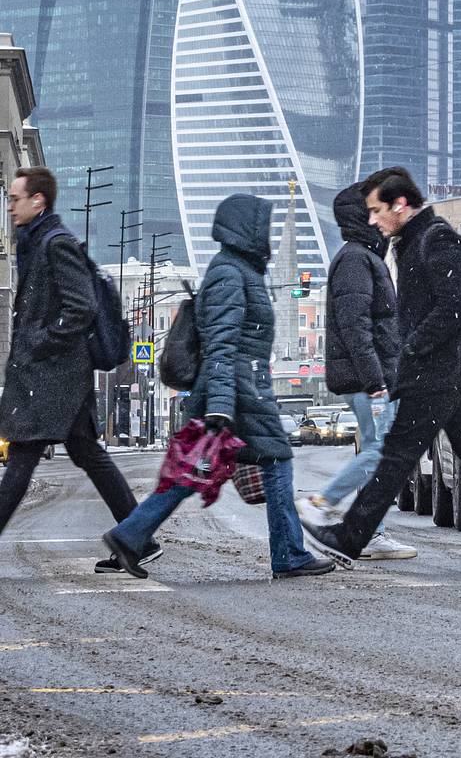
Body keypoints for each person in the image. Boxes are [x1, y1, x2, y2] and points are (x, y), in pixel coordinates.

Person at [302, 167, 461, 570]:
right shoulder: (411, 242)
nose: (372, 219)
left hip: (437, 370)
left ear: (401, 205)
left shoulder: (436, 238)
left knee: (396, 455)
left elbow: (451, 308)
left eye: (377, 210)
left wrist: (411, 350)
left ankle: (348, 538)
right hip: (447, 370)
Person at [102, 194, 333, 580]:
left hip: (238, 388)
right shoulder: (230, 274)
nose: (269, 236)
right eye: (264, 227)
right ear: (247, 229)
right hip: (237, 391)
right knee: (271, 463)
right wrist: (222, 405)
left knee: (194, 470)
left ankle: (130, 536)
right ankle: (289, 555)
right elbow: (220, 344)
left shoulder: (238, 270)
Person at [0, 167, 152, 565]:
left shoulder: (56, 244)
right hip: (56, 374)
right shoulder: (35, 242)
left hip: (55, 376)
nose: (10, 205)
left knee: (22, 456)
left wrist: (40, 341)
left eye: (15, 198)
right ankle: (138, 538)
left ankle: (139, 538)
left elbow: (81, 306)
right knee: (87, 454)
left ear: (38, 201)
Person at [299, 184, 416, 560]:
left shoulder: (365, 257)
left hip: (376, 375)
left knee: (374, 449)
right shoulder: (355, 259)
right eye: (375, 209)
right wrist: (376, 380)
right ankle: (322, 501)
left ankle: (372, 532)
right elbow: (355, 326)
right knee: (380, 453)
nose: (383, 216)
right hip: (372, 379)